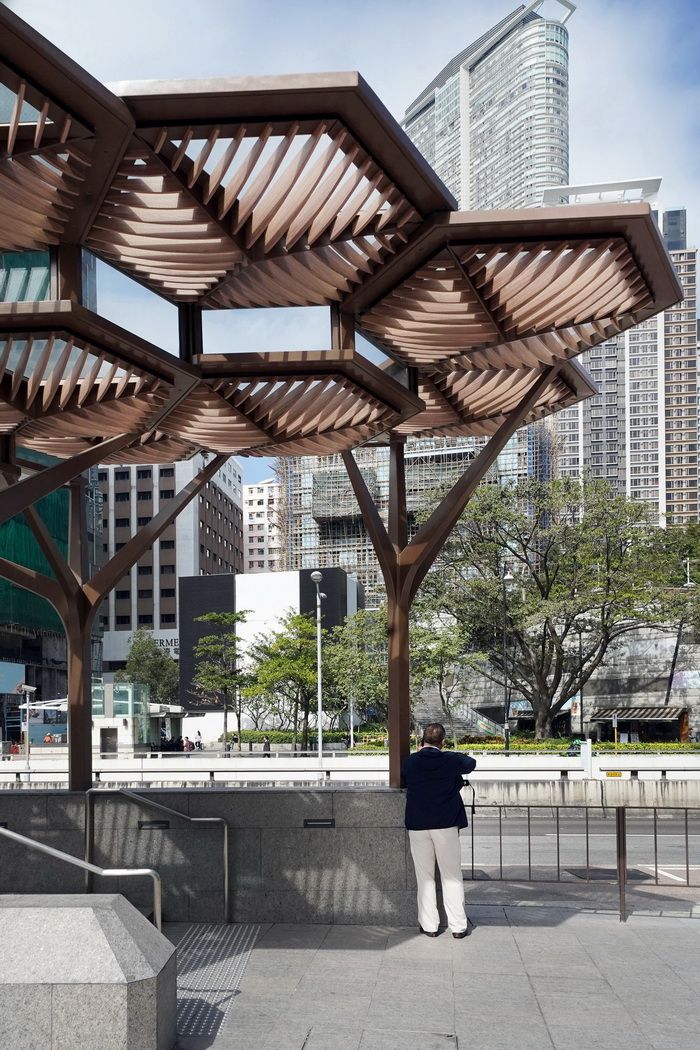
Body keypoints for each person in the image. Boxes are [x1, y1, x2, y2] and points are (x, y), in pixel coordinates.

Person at [402, 723, 477, 939]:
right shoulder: (451, 760)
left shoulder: (411, 762)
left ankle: (430, 926)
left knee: (424, 876)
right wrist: (449, 753)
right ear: (442, 742)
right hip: (446, 825)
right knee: (451, 875)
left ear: (421, 741)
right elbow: (471, 763)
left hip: (418, 825)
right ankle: (458, 926)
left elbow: (405, 774)